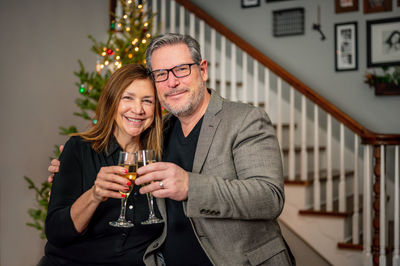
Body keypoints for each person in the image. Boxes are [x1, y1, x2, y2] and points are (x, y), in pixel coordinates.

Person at [49, 33, 295, 266]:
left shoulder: (245, 119)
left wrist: (190, 185)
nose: (172, 81)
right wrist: (70, 169)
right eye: (161, 74)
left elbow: (269, 197)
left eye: (181, 69)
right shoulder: (158, 133)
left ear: (203, 69)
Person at [40, 63, 164, 266]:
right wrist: (94, 195)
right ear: (112, 101)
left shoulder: (162, 157)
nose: (138, 109)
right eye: (128, 97)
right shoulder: (78, 148)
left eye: (147, 101)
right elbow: (56, 233)